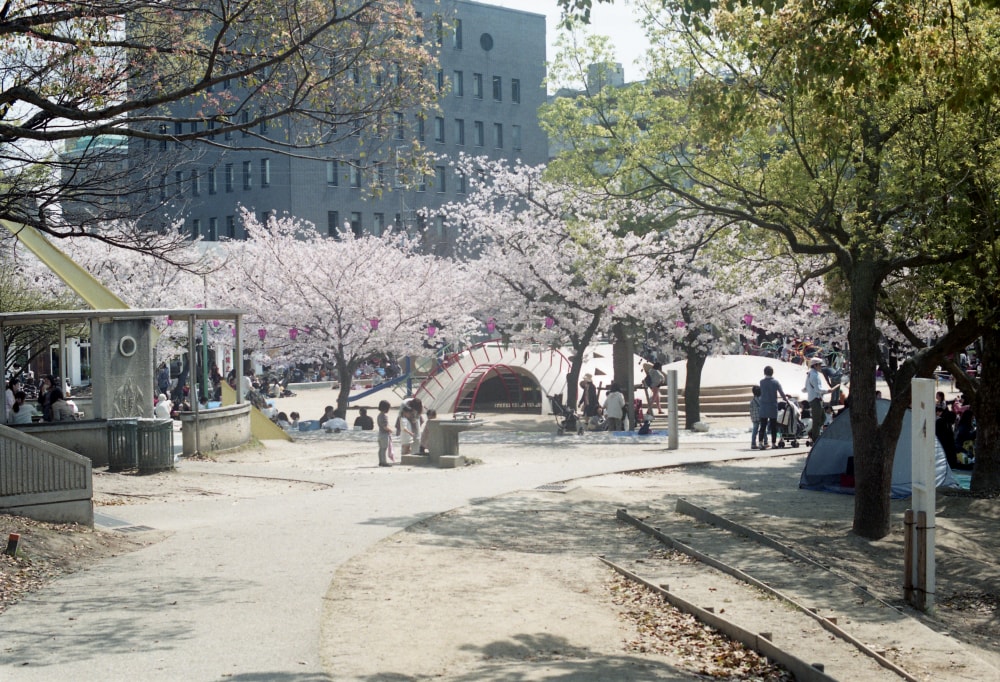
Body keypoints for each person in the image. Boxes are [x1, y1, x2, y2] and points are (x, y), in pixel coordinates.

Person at [804, 357, 834, 444]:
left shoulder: (810, 374)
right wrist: (828, 391)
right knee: (817, 419)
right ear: (815, 365)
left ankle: (813, 432)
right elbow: (818, 389)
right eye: (820, 365)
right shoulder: (814, 375)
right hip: (815, 399)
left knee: (822, 418)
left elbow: (805, 388)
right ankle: (815, 438)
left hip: (815, 398)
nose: (821, 367)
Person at [758, 365, 788, 449]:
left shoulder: (761, 382)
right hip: (772, 406)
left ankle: (760, 443)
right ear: (772, 373)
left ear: (764, 372)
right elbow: (782, 393)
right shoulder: (775, 382)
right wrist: (786, 399)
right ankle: (774, 443)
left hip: (763, 406)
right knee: (773, 426)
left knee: (763, 426)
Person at [376, 399, 393, 466]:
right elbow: (385, 427)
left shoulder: (379, 415)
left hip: (380, 434)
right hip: (384, 434)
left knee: (380, 449)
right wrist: (390, 430)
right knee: (384, 449)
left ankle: (380, 461)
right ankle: (384, 462)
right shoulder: (384, 416)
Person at [749, 385, 762, 449]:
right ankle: (764, 442)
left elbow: (750, 410)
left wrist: (752, 417)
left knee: (754, 430)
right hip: (760, 416)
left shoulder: (752, 401)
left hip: (754, 417)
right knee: (763, 430)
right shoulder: (761, 399)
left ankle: (753, 443)